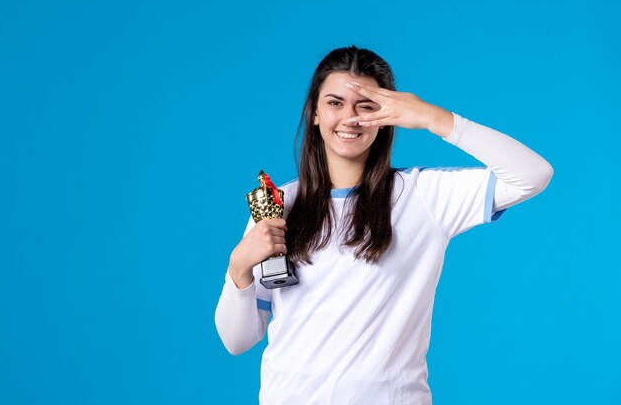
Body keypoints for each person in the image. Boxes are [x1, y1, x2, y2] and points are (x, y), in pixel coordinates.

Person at [214, 45, 553, 405]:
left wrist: (431, 117)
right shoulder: (277, 204)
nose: (350, 118)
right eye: (335, 103)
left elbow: (532, 175)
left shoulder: (424, 196)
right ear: (314, 112)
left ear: (387, 115)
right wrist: (238, 269)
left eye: (366, 105)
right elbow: (237, 340)